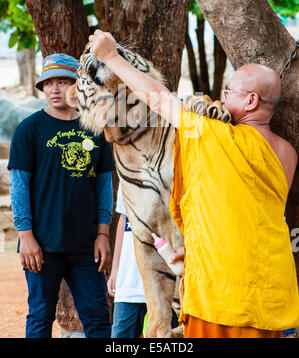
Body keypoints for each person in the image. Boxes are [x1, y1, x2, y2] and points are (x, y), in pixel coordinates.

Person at [87, 29, 299, 338]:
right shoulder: (287, 151)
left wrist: (109, 57)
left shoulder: (212, 135)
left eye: (229, 90)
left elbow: (158, 100)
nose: (222, 97)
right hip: (270, 289)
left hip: (221, 288)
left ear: (252, 100)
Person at [8, 53, 115, 338]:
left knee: (97, 318)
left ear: (77, 85)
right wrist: (26, 236)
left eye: (63, 81)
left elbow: (104, 186)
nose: (55, 89)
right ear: (42, 88)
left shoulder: (95, 129)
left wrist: (103, 234)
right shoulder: (29, 130)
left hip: (86, 244)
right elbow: (19, 187)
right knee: (40, 317)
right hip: (42, 245)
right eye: (49, 83)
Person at [107, 184, 147, 338]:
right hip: (129, 280)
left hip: (163, 282)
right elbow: (123, 220)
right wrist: (116, 270)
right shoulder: (126, 171)